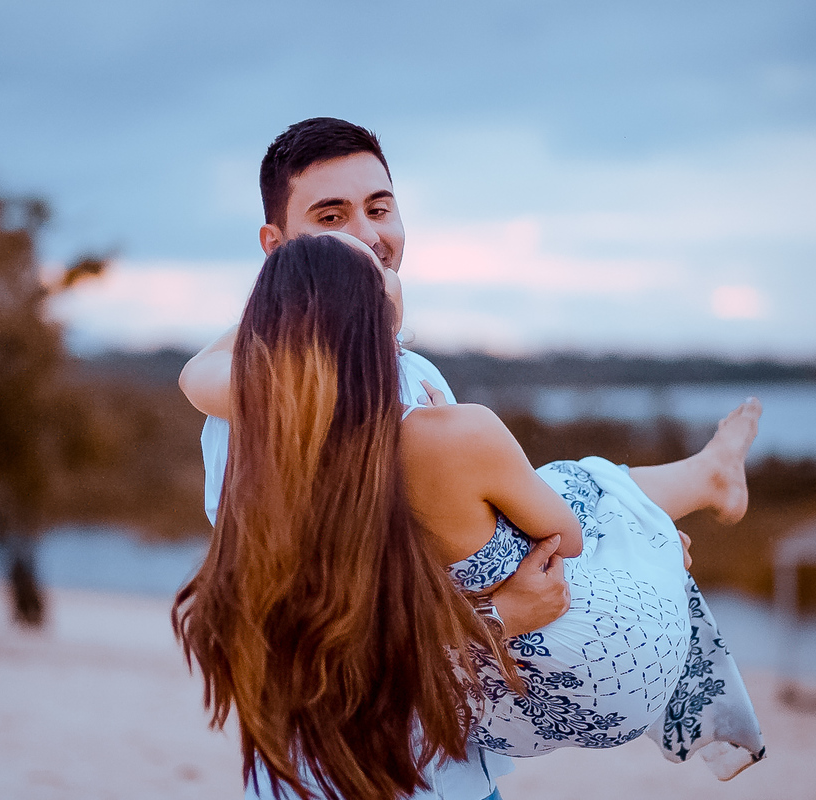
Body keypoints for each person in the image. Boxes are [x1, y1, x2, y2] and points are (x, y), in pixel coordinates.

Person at [174, 235, 764, 800]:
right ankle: (698, 488)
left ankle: (697, 488)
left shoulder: (266, 450)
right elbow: (571, 536)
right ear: (378, 317)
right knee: (574, 481)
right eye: (375, 271)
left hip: (494, 709)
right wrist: (632, 549)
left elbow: (197, 371)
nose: (379, 251)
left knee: (561, 493)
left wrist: (298, 290)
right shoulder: (448, 431)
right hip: (601, 659)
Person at [180, 118, 569, 800]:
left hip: (452, 769)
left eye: (380, 208)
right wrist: (503, 619)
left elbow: (480, 557)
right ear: (277, 248)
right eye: (331, 217)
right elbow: (316, 637)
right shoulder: (248, 405)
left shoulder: (413, 374)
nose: (367, 235)